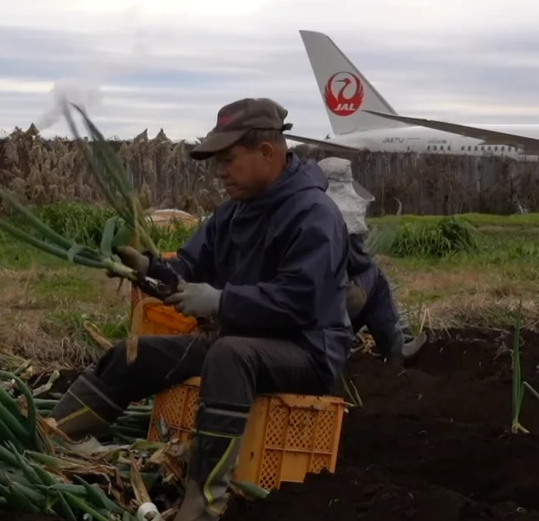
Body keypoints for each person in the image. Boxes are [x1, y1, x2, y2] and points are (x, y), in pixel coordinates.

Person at [48, 97, 353, 521]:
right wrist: (149, 270)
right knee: (133, 353)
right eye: (216, 161)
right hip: (242, 342)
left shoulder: (314, 215)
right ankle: (51, 444)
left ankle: (204, 504)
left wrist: (222, 301)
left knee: (229, 355)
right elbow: (189, 268)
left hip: (307, 351)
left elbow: (300, 303)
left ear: (267, 152)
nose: (220, 171)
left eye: (228, 159)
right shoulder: (232, 213)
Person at [316, 157, 427, 365]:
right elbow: (359, 263)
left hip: (289, 305)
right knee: (376, 279)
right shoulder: (339, 213)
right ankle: (396, 351)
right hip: (319, 309)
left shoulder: (298, 206)